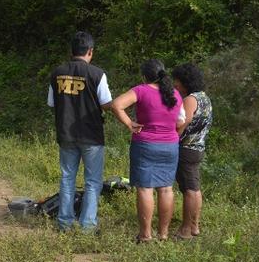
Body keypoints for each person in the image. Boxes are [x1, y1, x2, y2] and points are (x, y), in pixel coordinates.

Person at [112, 59, 184, 242]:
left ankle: (145, 235)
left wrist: (129, 123)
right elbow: (181, 122)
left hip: (146, 145)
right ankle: (164, 234)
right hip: (170, 146)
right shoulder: (175, 94)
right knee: (166, 189)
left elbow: (116, 104)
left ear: (144, 76)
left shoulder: (141, 90)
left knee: (145, 189)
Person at [48, 31, 113, 231]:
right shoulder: (97, 74)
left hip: (66, 133)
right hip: (92, 135)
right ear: (90, 51)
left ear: (72, 51)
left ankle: (64, 223)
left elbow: (51, 103)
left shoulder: (57, 72)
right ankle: (87, 225)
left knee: (67, 177)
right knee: (92, 181)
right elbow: (107, 103)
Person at [172, 63, 213, 239]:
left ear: (185, 82)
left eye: (177, 81)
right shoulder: (205, 98)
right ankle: (195, 226)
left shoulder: (190, 100)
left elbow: (181, 124)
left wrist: (171, 133)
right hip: (198, 148)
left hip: (187, 148)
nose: (175, 85)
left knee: (189, 190)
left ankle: (185, 229)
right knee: (195, 188)